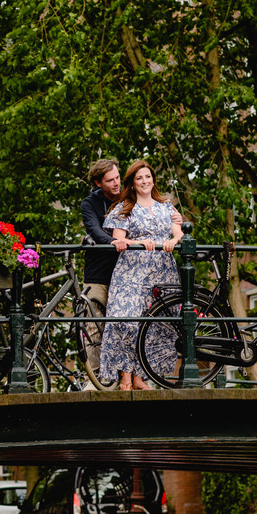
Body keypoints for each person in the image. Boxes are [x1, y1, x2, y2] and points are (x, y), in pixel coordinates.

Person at [99, 160, 183, 390]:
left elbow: (178, 231)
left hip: (161, 271)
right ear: (133, 183)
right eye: (139, 178)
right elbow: (119, 239)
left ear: (153, 179)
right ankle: (125, 374)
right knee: (128, 320)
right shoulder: (123, 207)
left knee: (156, 324)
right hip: (132, 272)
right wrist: (138, 242)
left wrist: (173, 241)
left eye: (148, 177)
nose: (144, 181)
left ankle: (141, 377)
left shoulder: (166, 206)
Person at [79, 159, 129, 387]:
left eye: (118, 177)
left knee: (125, 327)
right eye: (110, 180)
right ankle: (97, 379)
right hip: (98, 275)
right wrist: (113, 241)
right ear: (98, 183)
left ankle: (126, 379)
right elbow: (94, 230)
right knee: (93, 327)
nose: (117, 183)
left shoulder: (128, 198)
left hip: (126, 273)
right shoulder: (89, 204)